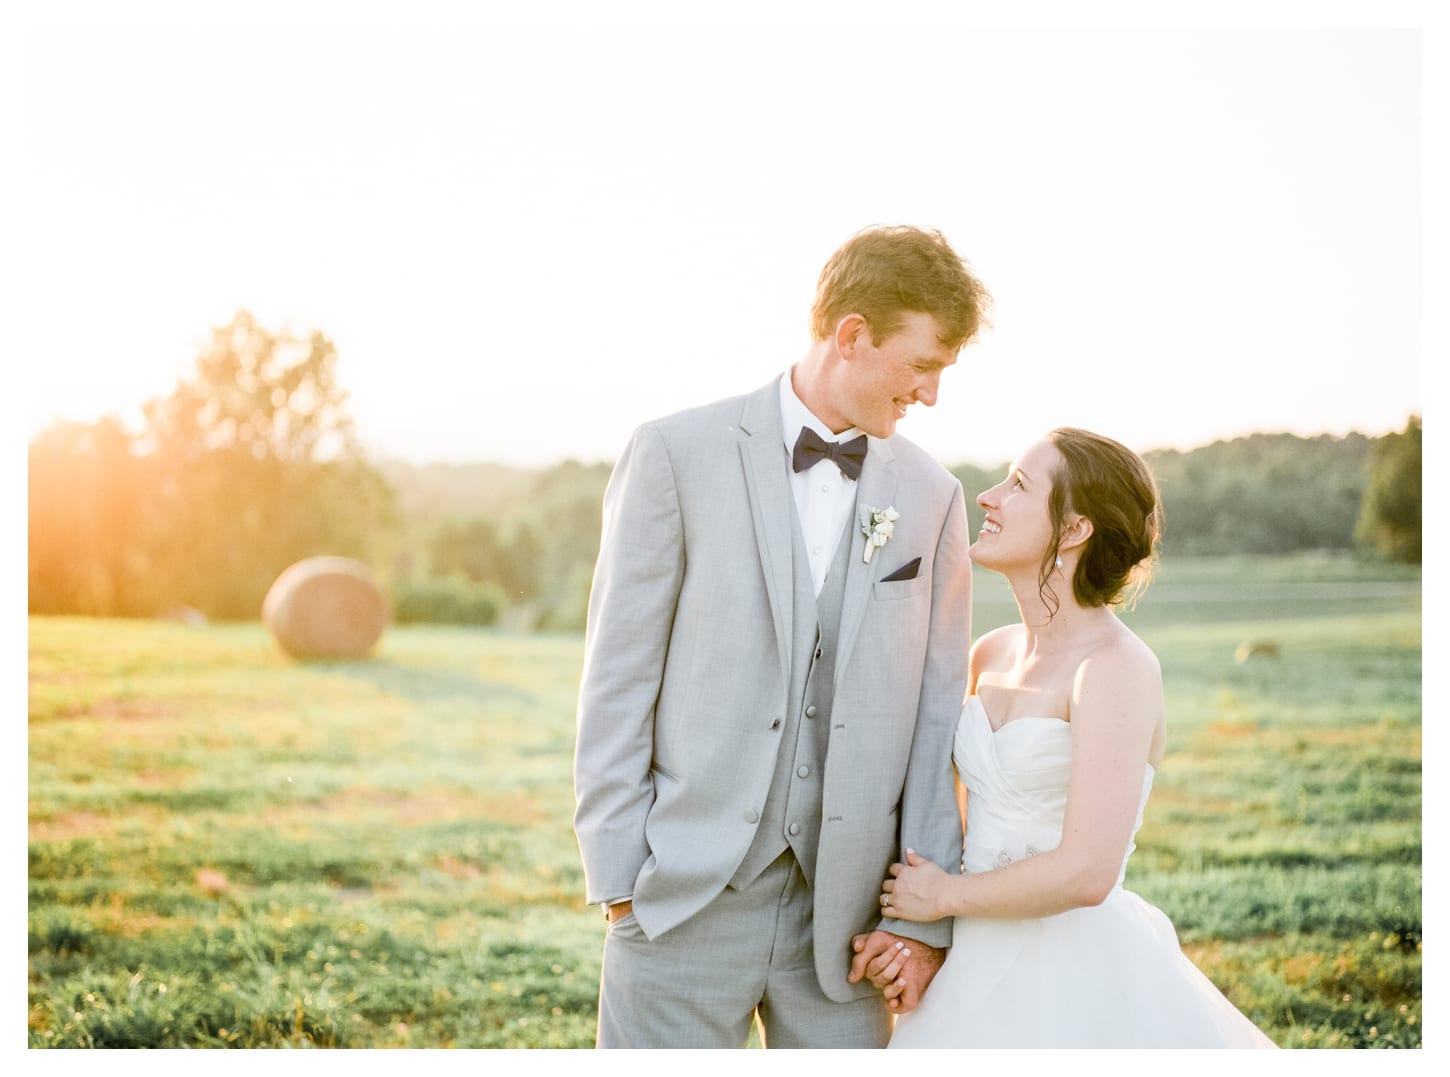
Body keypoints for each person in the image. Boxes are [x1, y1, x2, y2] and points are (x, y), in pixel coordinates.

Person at [572, 225, 991, 1048]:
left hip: (849, 930)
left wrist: (922, 921)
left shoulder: (933, 495)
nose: (931, 395)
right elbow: (619, 673)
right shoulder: (674, 452)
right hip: (681, 901)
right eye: (923, 364)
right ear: (851, 335)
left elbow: (937, 714)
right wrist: (620, 875)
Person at [851, 428, 1278, 1048]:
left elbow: (1086, 872)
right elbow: (955, 819)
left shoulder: (1115, 668)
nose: (989, 498)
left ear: (1075, 530)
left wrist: (943, 896)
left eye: (1019, 485)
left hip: (1068, 968)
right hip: (968, 957)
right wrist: (920, 934)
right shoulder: (988, 653)